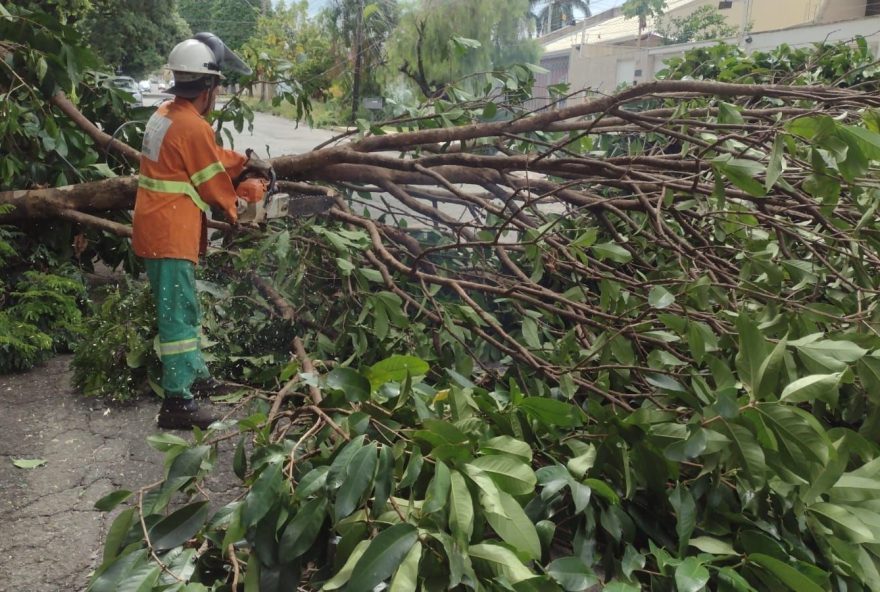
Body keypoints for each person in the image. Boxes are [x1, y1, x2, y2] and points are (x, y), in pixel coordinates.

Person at [132, 33, 264, 429]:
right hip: (170, 232)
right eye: (216, 86)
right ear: (207, 85)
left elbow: (203, 154)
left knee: (184, 307)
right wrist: (238, 207)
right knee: (177, 316)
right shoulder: (193, 126)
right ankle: (177, 402)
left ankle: (196, 378)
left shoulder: (167, 114)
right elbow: (211, 183)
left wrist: (244, 162)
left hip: (157, 225)